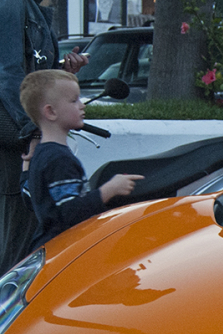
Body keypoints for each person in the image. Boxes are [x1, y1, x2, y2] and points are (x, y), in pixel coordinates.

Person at [0, 0, 90, 284]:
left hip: (23, 140)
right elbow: (7, 74)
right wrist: (34, 132)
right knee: (14, 256)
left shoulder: (26, 1)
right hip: (16, 144)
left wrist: (62, 73)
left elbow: (25, 73)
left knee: (24, 247)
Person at [18, 69, 140, 250]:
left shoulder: (43, 155)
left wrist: (27, 164)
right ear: (51, 112)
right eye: (74, 100)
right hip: (65, 249)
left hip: (48, 247)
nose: (82, 105)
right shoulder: (59, 159)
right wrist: (110, 189)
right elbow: (71, 213)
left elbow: (29, 196)